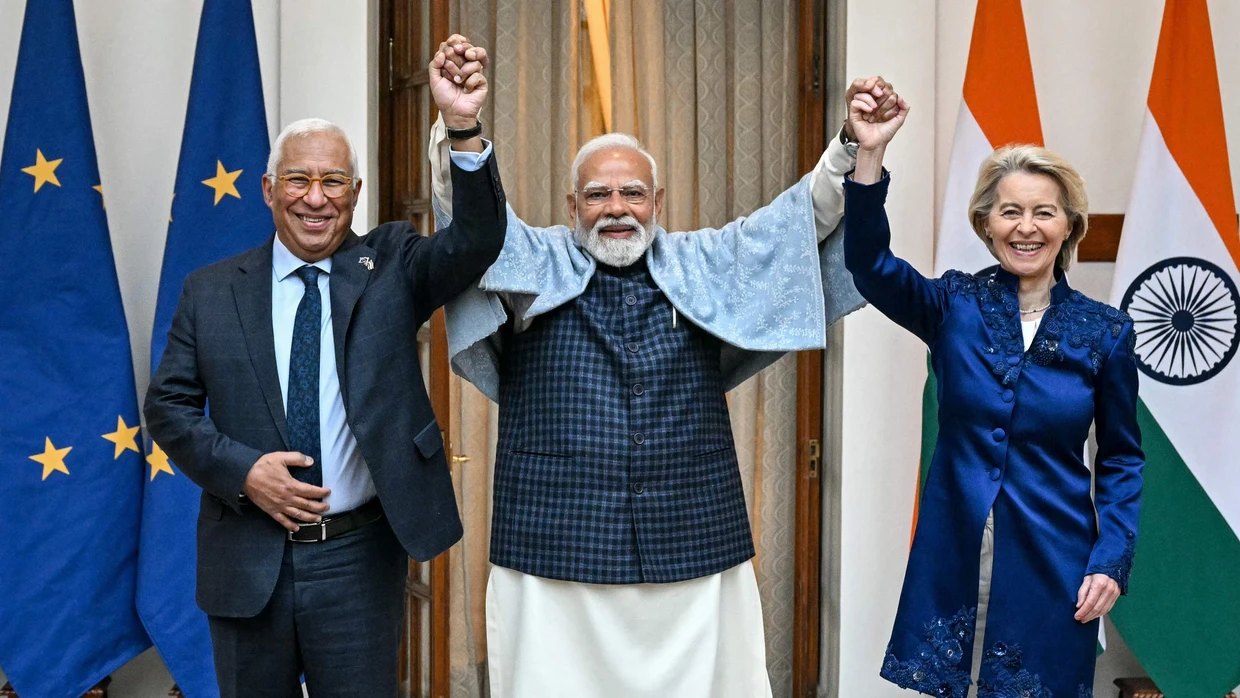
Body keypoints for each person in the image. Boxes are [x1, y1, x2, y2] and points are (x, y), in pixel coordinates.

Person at [430, 36, 900, 698]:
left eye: (632, 193)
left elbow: (801, 219)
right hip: (553, 545)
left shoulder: (707, 260)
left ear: (658, 201)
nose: (616, 209)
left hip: (693, 540)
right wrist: (461, 125)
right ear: (571, 209)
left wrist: (853, 143)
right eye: (597, 195)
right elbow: (470, 218)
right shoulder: (530, 259)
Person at [142, 44, 506, 696]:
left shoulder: (392, 264)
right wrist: (243, 472)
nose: (316, 199)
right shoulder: (211, 290)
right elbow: (167, 408)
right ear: (269, 189)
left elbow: (476, 241)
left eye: (333, 182)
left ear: (356, 192)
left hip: (358, 559)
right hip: (247, 558)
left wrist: (461, 125)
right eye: (298, 181)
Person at [841, 90, 1143, 696]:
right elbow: (870, 264)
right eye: (1009, 212)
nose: (1025, 228)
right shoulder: (953, 304)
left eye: (1043, 213)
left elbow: (1121, 459)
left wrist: (1112, 558)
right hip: (955, 551)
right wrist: (868, 157)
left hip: (1055, 559)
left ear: (1068, 226)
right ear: (985, 224)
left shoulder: (1106, 333)